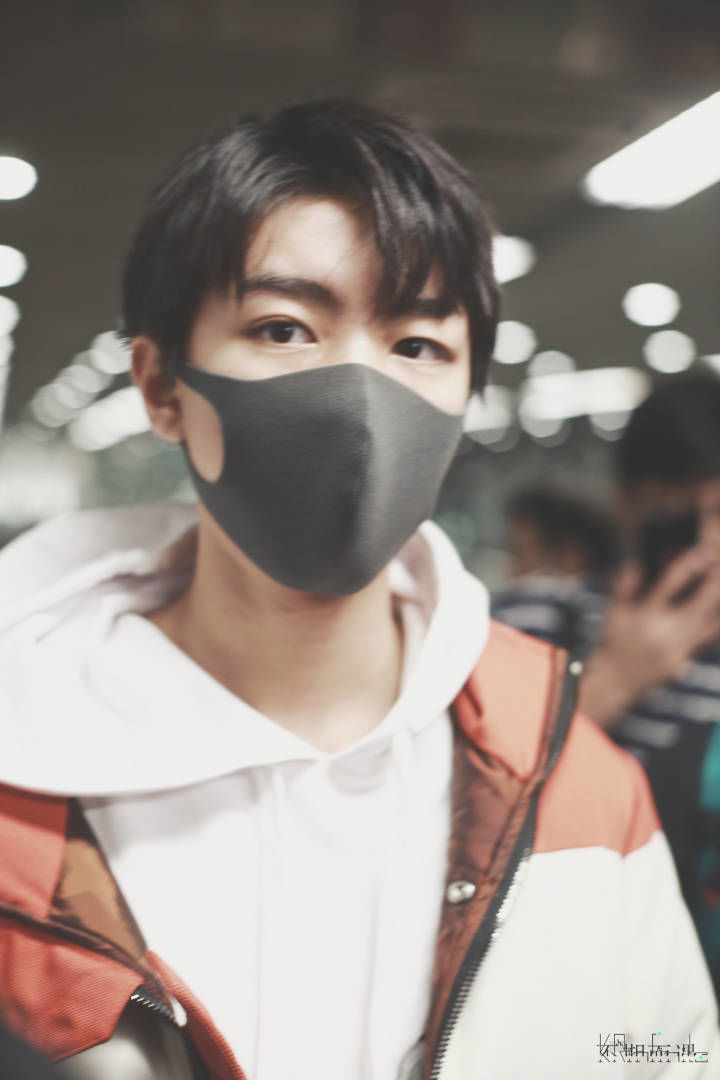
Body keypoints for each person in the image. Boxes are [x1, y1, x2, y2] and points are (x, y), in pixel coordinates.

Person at [0, 100, 716, 1080]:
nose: (359, 399)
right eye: (285, 328)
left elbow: (669, 1055)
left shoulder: (581, 791)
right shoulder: (25, 781)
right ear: (162, 385)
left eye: (419, 345)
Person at [494, 372, 720, 997]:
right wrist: (615, 680)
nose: (707, 545)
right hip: (561, 980)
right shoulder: (537, 620)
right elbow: (481, 801)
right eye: (682, 518)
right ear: (627, 505)